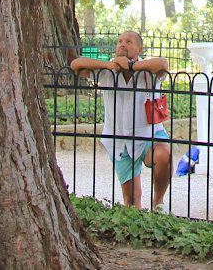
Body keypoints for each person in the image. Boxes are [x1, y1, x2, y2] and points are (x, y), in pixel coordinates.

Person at [70, 30, 173, 210]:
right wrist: (111, 66)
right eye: (120, 41)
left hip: (149, 134)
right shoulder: (107, 71)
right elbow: (76, 65)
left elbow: (163, 64)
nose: (122, 44)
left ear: (138, 49)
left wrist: (132, 66)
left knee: (164, 154)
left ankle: (159, 203)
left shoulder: (148, 70)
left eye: (128, 42)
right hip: (120, 141)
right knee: (131, 203)